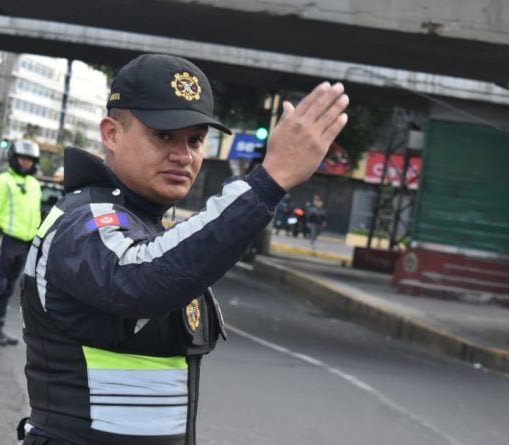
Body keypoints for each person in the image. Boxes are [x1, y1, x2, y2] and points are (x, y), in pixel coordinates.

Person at [18, 53, 348, 444]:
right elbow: (139, 280)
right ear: (111, 134)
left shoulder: (147, 225)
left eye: (195, 140)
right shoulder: (83, 222)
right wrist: (268, 180)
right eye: (163, 135)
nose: (183, 155)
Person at [0, 140, 42, 346]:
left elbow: (36, 216)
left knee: (8, 287)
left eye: (30, 160)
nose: (26, 163)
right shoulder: (3, 180)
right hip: (4, 241)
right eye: (22, 159)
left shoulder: (34, 185)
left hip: (24, 245)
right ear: (14, 159)